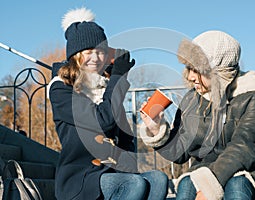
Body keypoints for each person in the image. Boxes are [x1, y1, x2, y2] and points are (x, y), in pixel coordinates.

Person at [48, 7, 168, 200]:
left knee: (158, 179)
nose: (95, 58)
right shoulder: (61, 89)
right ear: (76, 56)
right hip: (82, 178)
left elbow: (125, 138)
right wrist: (118, 80)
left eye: (101, 52)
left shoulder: (106, 86)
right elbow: (103, 120)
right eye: (88, 52)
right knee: (133, 184)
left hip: (112, 172)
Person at [140, 30, 255, 200]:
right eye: (188, 68)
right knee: (186, 185)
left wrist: (210, 186)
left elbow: (244, 148)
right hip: (202, 171)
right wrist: (157, 129)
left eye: (197, 70)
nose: (190, 77)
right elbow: (180, 154)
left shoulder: (253, 94)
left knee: (237, 186)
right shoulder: (191, 100)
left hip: (247, 172)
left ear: (219, 72)